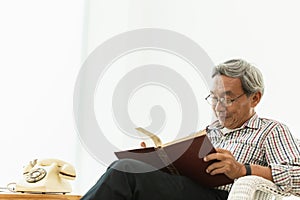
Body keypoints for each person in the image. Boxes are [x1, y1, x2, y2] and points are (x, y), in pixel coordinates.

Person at [81, 59, 300, 200]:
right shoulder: (211, 130)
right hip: (189, 190)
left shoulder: (271, 130)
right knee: (128, 168)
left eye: (228, 99)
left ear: (255, 97)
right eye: (213, 99)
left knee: (125, 171)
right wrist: (156, 158)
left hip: (222, 196)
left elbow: (298, 176)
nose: (218, 108)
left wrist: (242, 170)